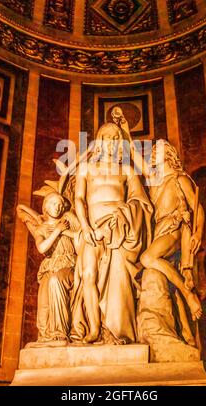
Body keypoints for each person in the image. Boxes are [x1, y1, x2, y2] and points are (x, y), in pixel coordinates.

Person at [71, 122, 152, 344]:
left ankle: (118, 330)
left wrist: (122, 218)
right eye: (107, 137)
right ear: (99, 142)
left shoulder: (126, 169)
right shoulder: (86, 168)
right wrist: (86, 227)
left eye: (117, 138)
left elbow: (139, 200)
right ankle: (95, 328)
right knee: (88, 275)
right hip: (92, 229)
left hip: (119, 231)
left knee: (118, 279)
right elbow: (78, 199)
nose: (112, 142)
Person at [140, 140, 205, 321]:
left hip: (176, 229)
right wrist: (124, 131)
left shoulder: (180, 178)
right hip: (159, 231)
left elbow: (197, 207)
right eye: (152, 149)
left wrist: (198, 232)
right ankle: (185, 333)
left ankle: (188, 294)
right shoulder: (154, 181)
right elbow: (136, 157)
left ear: (168, 153)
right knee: (170, 288)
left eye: (157, 149)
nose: (152, 151)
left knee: (147, 258)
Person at [17, 192, 80, 343]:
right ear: (45, 207)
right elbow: (42, 248)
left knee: (55, 281)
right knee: (44, 307)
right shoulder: (42, 229)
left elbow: (82, 238)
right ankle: (47, 336)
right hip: (49, 267)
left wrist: (65, 231)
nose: (57, 207)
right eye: (53, 203)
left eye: (60, 204)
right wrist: (57, 230)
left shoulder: (69, 220)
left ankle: (60, 332)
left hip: (69, 265)